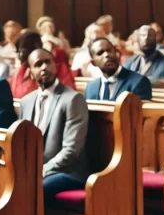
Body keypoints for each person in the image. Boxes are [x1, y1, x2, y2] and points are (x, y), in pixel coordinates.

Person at [19, 48, 90, 202]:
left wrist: (41, 170)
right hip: (37, 170)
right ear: (30, 72)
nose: (44, 67)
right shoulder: (26, 102)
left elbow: (71, 151)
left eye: (47, 62)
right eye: (38, 64)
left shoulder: (72, 99)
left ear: (55, 66)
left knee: (31, 188)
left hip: (68, 172)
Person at [11, 30, 75, 99]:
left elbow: (69, 96)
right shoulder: (21, 72)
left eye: (22, 51)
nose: (19, 56)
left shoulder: (56, 67)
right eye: (17, 52)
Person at [84, 37, 152, 101]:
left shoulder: (139, 82)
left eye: (109, 50)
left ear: (117, 54)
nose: (106, 55)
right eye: (100, 53)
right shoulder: (90, 87)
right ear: (93, 63)